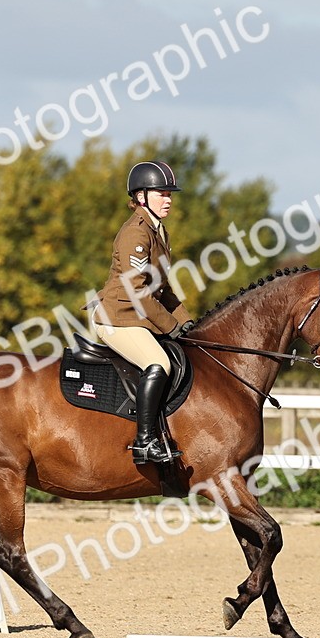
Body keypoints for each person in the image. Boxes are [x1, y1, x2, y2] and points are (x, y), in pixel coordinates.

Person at [86, 160, 196, 464]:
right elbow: (137, 290)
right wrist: (170, 326)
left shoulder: (159, 231)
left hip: (138, 317)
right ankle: (144, 442)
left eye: (170, 194)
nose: (168, 199)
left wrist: (188, 323)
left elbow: (163, 288)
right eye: (162, 193)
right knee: (158, 362)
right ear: (141, 196)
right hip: (118, 318)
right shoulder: (136, 233)